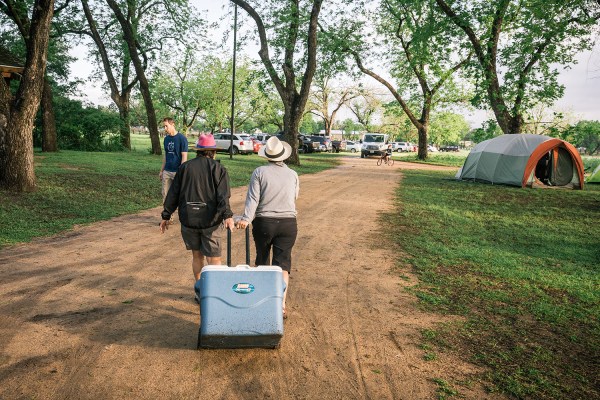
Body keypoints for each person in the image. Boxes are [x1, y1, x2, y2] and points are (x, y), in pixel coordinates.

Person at [160, 134, 235, 302]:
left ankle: (200, 291)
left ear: (199, 151)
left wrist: (166, 215)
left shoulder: (184, 168)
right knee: (214, 258)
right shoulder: (219, 169)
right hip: (211, 221)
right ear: (213, 152)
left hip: (189, 220)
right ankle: (214, 294)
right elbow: (223, 196)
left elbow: (173, 194)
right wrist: (227, 215)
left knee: (197, 256)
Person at [235, 136, 299, 319]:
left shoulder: (259, 172)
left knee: (262, 261)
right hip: (288, 223)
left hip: (264, 222)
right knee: (282, 265)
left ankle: (262, 300)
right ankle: (281, 305)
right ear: (283, 156)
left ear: (267, 156)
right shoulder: (293, 174)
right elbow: (294, 197)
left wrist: (246, 218)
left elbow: (253, 199)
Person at [159, 118, 188, 211]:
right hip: (167, 170)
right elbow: (166, 156)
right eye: (164, 126)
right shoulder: (166, 139)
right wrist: (161, 171)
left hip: (177, 171)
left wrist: (181, 171)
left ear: (173, 125)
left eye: (166, 126)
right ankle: (167, 217)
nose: (165, 128)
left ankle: (183, 215)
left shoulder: (182, 139)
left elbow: (184, 156)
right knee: (165, 194)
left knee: (179, 194)